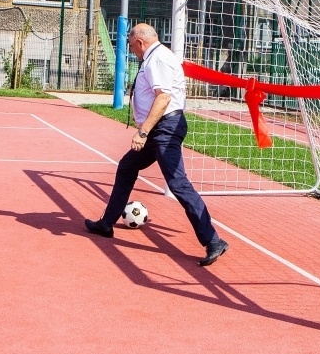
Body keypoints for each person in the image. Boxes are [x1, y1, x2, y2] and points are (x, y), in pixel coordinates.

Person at [85, 23, 229, 267]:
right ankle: (107, 223)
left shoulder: (158, 59)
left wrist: (142, 132)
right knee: (127, 166)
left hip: (165, 129)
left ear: (140, 42)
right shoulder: (153, 58)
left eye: (131, 46)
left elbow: (163, 98)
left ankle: (213, 240)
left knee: (177, 183)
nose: (132, 51)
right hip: (158, 129)